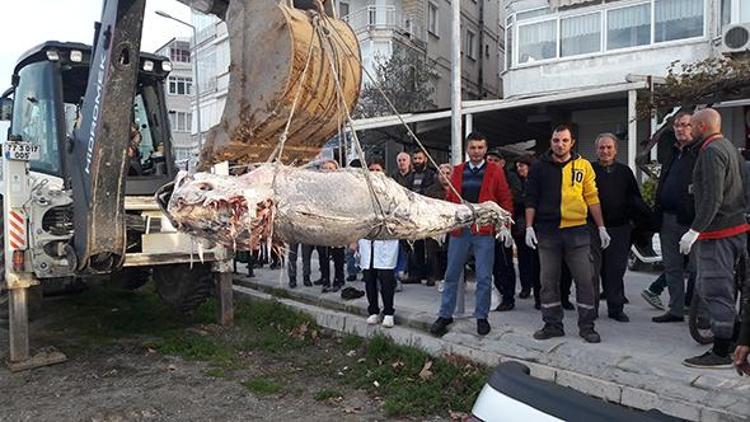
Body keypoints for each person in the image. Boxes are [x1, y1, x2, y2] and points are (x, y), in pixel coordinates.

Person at [525, 123, 610, 344]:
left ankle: (587, 326)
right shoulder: (539, 167)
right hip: (548, 232)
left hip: (578, 232)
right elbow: (531, 199)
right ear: (551, 142)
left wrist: (601, 227)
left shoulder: (583, 167)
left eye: (564, 140)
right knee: (548, 282)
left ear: (572, 142)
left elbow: (592, 197)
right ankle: (552, 324)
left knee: (585, 280)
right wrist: (529, 227)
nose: (560, 144)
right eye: (556, 140)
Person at [680, 108, 749, 368]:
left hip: (718, 233)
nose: (689, 130)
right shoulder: (729, 147)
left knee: (716, 289)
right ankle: (732, 339)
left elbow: (713, 197)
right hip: (736, 228)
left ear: (701, 127)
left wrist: (694, 230)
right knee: (734, 288)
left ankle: (721, 352)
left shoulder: (710, 151)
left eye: (692, 126)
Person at [429, 132, 513, 337]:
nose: (476, 151)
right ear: (467, 149)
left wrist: (505, 225)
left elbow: (505, 197)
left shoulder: (494, 171)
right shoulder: (458, 171)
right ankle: (445, 314)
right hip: (460, 230)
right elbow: (450, 199)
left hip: (483, 230)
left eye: (480, 148)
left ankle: (481, 317)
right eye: (473, 147)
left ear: (485, 149)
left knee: (484, 276)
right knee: (451, 274)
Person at [643, 112, 699, 323]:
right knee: (672, 266)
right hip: (667, 218)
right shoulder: (673, 152)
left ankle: (697, 313)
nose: (680, 129)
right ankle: (675, 309)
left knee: (696, 268)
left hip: (691, 220)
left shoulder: (700, 153)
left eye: (685, 125)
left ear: (694, 127)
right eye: (677, 125)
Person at [590, 133, 644, 323]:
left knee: (615, 271)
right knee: (592, 271)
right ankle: (591, 309)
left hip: (619, 228)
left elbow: (635, 198)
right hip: (593, 229)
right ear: (596, 150)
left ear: (616, 150)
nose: (605, 151)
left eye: (609, 147)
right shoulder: (589, 170)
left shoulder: (625, 172)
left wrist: (636, 223)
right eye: (601, 148)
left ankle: (616, 307)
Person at [357, 158, 399, 328]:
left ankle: (389, 312)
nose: (374, 173)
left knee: (386, 278)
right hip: (367, 241)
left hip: (386, 241)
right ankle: (373, 310)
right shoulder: (361, 193)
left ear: (384, 172)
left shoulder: (392, 191)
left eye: (378, 170)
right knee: (369, 278)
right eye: (371, 170)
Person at [486, 148, 519, 311]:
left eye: (495, 160)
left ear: (502, 163)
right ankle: (497, 293)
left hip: (505, 225)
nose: (491, 163)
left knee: (504, 263)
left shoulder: (510, 177)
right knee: (492, 265)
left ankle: (508, 297)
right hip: (487, 227)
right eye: (489, 160)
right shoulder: (484, 176)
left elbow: (513, 197)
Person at [512, 154, 541, 309]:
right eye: (517, 166)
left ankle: (539, 293)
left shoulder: (538, 181)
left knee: (537, 262)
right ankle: (525, 287)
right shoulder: (519, 183)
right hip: (521, 227)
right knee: (524, 259)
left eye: (522, 166)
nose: (519, 169)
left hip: (538, 226)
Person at [405, 150, 438, 284]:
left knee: (430, 248)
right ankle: (416, 275)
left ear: (425, 159)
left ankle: (431, 276)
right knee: (415, 246)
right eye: (415, 158)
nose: (417, 161)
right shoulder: (410, 177)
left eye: (420, 158)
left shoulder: (432, 175)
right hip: (414, 214)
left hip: (427, 214)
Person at [318, 159, 346, 293]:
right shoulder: (317, 187)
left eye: (331, 168)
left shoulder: (341, 187)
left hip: (337, 226)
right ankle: (325, 280)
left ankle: (339, 279)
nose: (328, 170)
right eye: (325, 168)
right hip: (322, 226)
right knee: (323, 255)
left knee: (338, 255)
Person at [424, 163, 452, 288]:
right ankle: (432, 276)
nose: (444, 176)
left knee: (450, 253)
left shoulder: (457, 189)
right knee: (432, 252)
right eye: (441, 173)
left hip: (452, 226)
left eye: (447, 173)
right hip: (435, 225)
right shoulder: (431, 190)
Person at [391, 152, 412, 287]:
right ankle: (399, 271)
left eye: (404, 160)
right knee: (399, 244)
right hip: (397, 214)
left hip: (411, 213)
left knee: (409, 245)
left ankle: (408, 270)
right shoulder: (393, 177)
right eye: (399, 160)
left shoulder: (414, 175)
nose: (402, 162)